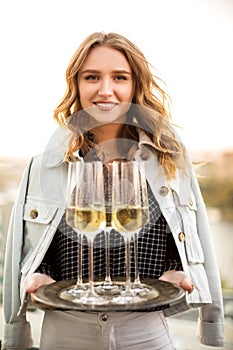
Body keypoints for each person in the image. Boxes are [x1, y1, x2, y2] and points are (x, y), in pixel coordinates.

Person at [1, 32, 224, 350]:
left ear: (135, 85)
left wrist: (179, 274)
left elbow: (191, 231)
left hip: (146, 331)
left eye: (119, 77)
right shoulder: (43, 164)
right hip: (65, 331)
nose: (105, 90)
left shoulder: (170, 158)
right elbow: (27, 250)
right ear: (77, 85)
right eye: (92, 77)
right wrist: (35, 284)